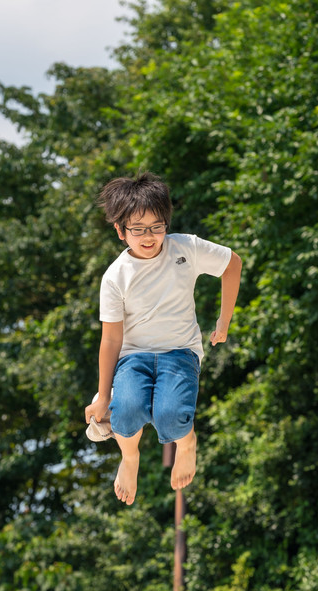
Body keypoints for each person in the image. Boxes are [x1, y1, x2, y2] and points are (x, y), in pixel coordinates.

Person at [85, 172, 242, 505]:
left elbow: (232, 264)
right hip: (133, 356)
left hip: (180, 352)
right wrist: (102, 396)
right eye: (138, 229)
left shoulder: (185, 247)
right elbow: (111, 340)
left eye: (157, 227)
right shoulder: (116, 276)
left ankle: (187, 444)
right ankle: (130, 459)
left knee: (170, 416)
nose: (149, 236)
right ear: (120, 230)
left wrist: (223, 320)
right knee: (124, 412)